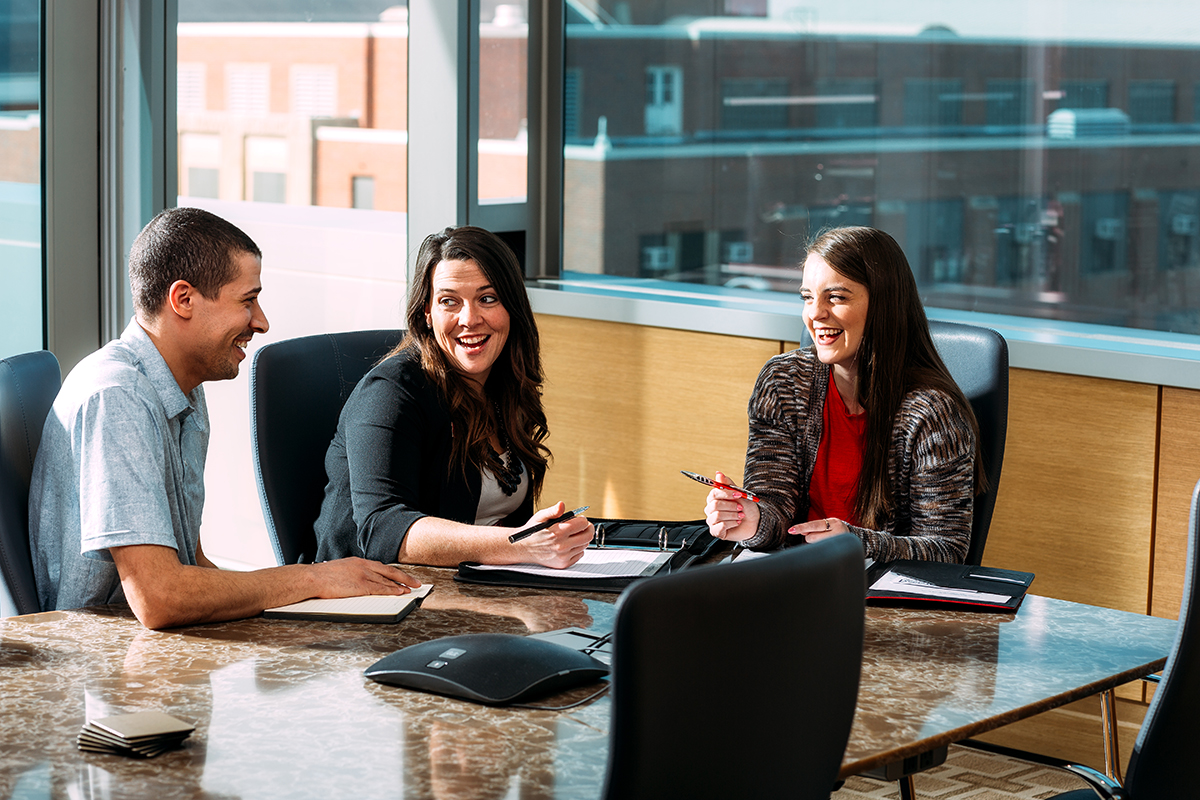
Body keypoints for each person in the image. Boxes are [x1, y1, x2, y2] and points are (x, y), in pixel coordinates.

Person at [29, 207, 420, 629]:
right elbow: (160, 597)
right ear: (183, 300)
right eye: (247, 300)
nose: (262, 322)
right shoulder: (117, 397)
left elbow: (190, 564)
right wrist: (314, 577)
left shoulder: (184, 389)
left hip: (156, 645)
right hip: (100, 661)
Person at [313, 225, 593, 567]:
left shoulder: (502, 384)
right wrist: (521, 545)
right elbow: (382, 530)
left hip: (465, 585)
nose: (470, 319)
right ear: (427, 313)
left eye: (487, 299)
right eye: (449, 301)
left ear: (511, 309)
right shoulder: (391, 392)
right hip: (369, 598)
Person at [704, 226, 982, 563]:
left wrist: (854, 543)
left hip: (878, 597)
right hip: (791, 576)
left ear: (883, 305)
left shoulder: (932, 412)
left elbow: (946, 551)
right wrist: (752, 521)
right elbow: (774, 507)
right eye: (808, 297)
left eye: (836, 297)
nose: (816, 313)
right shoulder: (783, 382)